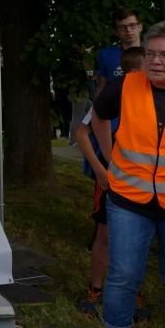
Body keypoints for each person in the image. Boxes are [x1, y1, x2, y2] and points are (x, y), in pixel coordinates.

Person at [92, 23, 165, 328]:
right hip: (128, 201)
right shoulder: (125, 86)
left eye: (163, 55)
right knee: (123, 276)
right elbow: (97, 117)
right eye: (150, 54)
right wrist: (109, 159)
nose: (156, 61)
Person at [75, 47, 144, 318]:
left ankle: (132, 292)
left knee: (138, 235)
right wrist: (100, 170)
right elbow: (81, 132)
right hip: (111, 176)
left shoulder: (153, 96)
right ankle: (95, 289)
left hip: (143, 179)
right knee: (104, 234)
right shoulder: (111, 94)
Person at [96, 8, 143, 95]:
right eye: (122, 27)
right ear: (116, 32)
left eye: (132, 25)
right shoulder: (106, 55)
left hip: (148, 102)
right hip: (116, 102)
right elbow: (101, 88)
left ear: (140, 27)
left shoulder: (154, 52)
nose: (128, 30)